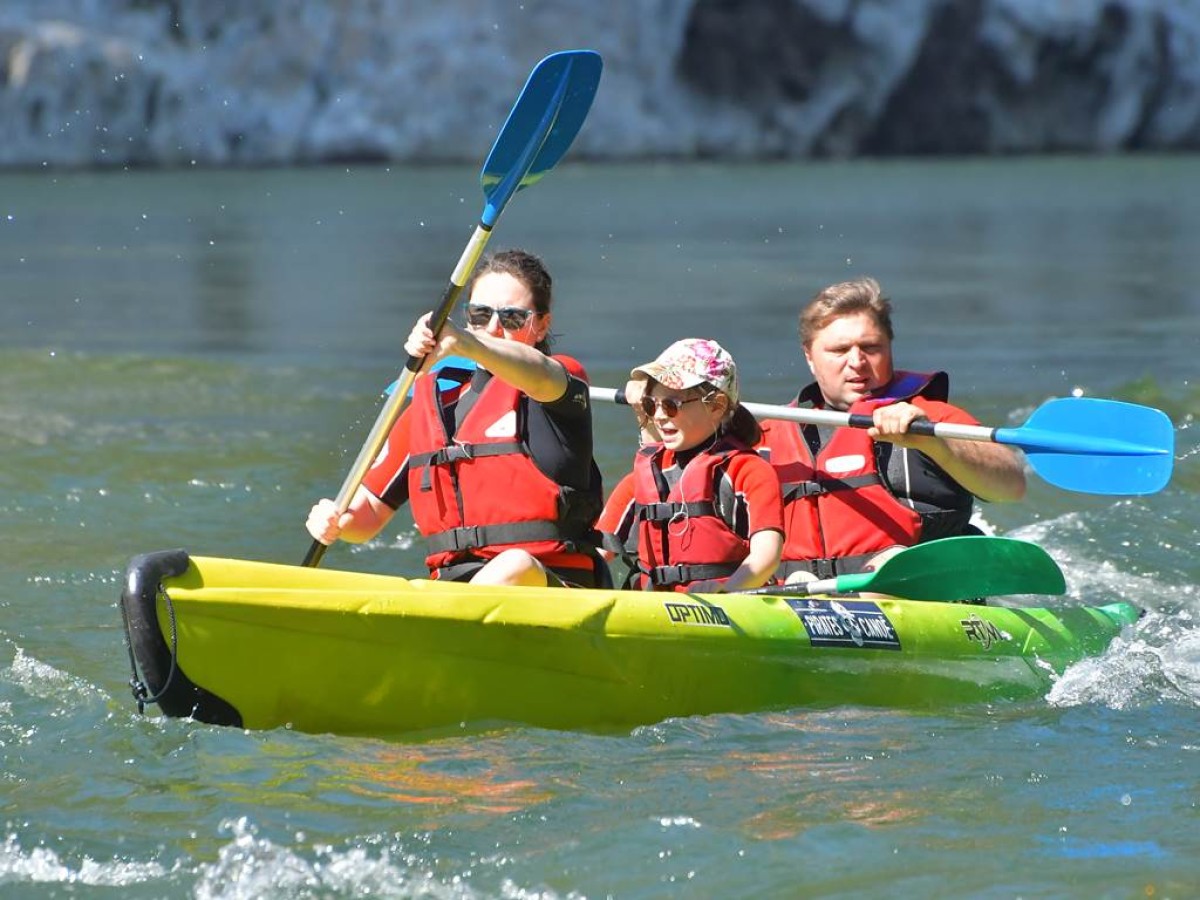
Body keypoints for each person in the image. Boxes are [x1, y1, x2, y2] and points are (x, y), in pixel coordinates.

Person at [305, 249, 606, 587]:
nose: (492, 329)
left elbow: (541, 375)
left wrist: (464, 342)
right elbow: (369, 514)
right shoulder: (433, 404)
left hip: (553, 584)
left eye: (512, 318)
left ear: (541, 326)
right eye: (480, 315)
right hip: (454, 588)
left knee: (514, 566)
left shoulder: (560, 381)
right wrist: (337, 520)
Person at [757, 276, 1027, 582]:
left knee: (891, 562)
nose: (857, 361)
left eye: (870, 347)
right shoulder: (768, 436)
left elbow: (1011, 485)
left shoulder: (929, 416)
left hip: (918, 596)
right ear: (809, 356)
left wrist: (934, 444)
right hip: (802, 598)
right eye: (839, 350)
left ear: (889, 348)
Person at [597, 338, 783, 593]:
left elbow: (766, 556)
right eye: (652, 404)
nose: (659, 415)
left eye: (672, 405)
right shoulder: (640, 480)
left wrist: (726, 597)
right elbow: (597, 554)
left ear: (716, 406)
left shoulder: (749, 472)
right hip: (652, 611)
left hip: (727, 607)